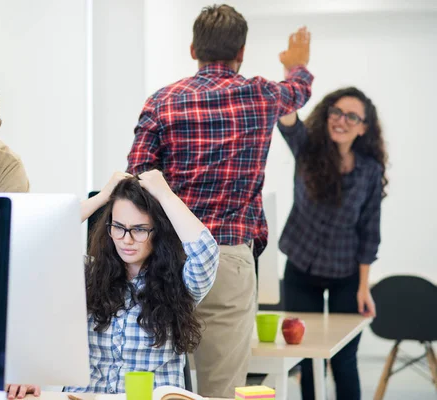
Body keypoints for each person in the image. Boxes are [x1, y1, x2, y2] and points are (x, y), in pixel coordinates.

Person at [126, 4, 313, 397]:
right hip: (228, 258)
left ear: (193, 48)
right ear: (241, 53)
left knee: (158, 384)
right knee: (222, 389)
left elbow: (138, 176)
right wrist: (298, 66)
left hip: (168, 258)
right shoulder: (261, 94)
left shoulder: (163, 101)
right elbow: (299, 91)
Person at [5, 170, 220, 399]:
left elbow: (206, 252)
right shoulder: (88, 273)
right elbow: (35, 238)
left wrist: (166, 196)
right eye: (118, 227)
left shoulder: (180, 282)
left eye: (139, 229)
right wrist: (103, 197)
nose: (126, 240)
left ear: (159, 231)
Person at [277, 87, 387, 399]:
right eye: (336, 112)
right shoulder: (307, 150)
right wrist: (292, 76)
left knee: (344, 360)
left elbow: (370, 233)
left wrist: (363, 288)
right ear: (327, 115)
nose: (341, 120)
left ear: (363, 127)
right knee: (310, 358)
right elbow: (288, 121)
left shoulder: (369, 171)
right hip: (301, 268)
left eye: (352, 116)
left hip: (346, 276)